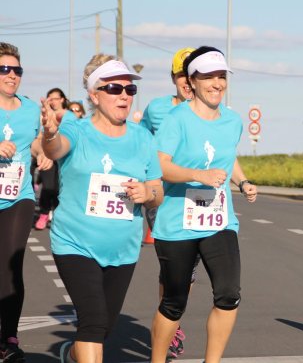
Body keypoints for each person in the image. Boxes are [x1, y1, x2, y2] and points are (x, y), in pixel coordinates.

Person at [41, 54, 163, 363]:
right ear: (94, 95)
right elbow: (55, 150)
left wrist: (147, 192)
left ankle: (70, 354)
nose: (124, 95)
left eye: (129, 90)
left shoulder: (143, 138)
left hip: (123, 249)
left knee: (103, 328)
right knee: (94, 322)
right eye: (114, 89)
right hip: (75, 243)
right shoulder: (77, 130)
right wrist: (50, 134)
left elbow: (158, 192)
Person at [150, 46, 257, 363]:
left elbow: (228, 156)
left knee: (228, 295)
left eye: (221, 76)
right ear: (192, 81)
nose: (217, 83)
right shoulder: (176, 120)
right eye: (208, 76)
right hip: (177, 224)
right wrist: (197, 174)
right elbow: (159, 165)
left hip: (219, 221)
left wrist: (243, 181)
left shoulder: (233, 121)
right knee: (174, 303)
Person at [140, 47, 195, 360]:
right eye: (181, 75)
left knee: (187, 271)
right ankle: (171, 324)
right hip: (161, 195)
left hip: (195, 198)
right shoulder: (157, 109)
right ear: (174, 78)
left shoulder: (210, 111)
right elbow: (143, 138)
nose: (187, 81)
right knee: (172, 263)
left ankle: (173, 319)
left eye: (192, 75)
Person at [0, 42, 52, 363]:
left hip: (18, 194)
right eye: (5, 69)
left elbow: (34, 142)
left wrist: (42, 151)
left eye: (17, 70)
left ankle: (9, 337)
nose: (12, 76)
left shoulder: (31, 109)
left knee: (11, 261)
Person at [34, 88, 76, 230]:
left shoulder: (70, 116)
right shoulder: (45, 116)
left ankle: (59, 216)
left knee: (60, 188)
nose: (52, 101)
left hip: (65, 159)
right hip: (48, 157)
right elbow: (40, 137)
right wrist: (42, 150)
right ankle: (44, 213)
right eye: (49, 98)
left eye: (55, 98)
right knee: (48, 186)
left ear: (62, 100)